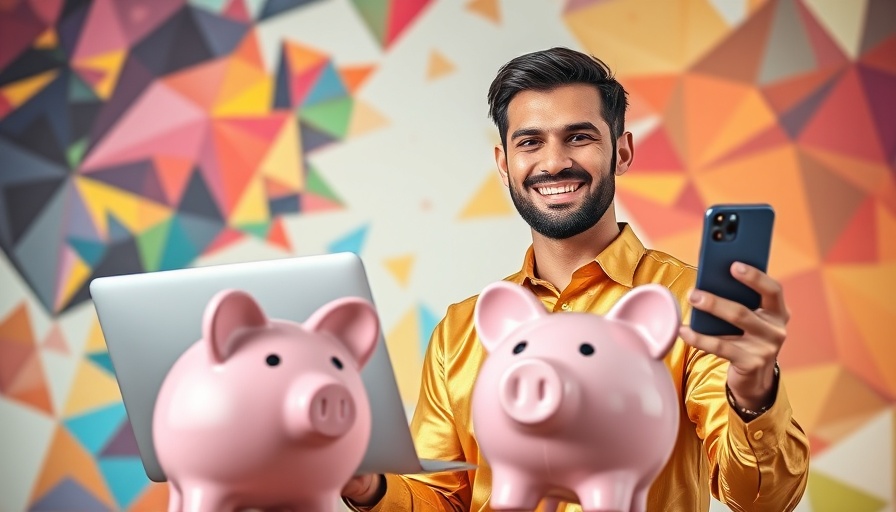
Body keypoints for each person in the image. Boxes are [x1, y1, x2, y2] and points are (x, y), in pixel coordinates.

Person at [342, 47, 810, 511]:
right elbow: (442, 499)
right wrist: (371, 489)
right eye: (530, 142)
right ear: (504, 163)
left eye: (579, 137)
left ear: (621, 152)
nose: (553, 163)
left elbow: (762, 501)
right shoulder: (461, 330)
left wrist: (753, 393)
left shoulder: (691, 304)